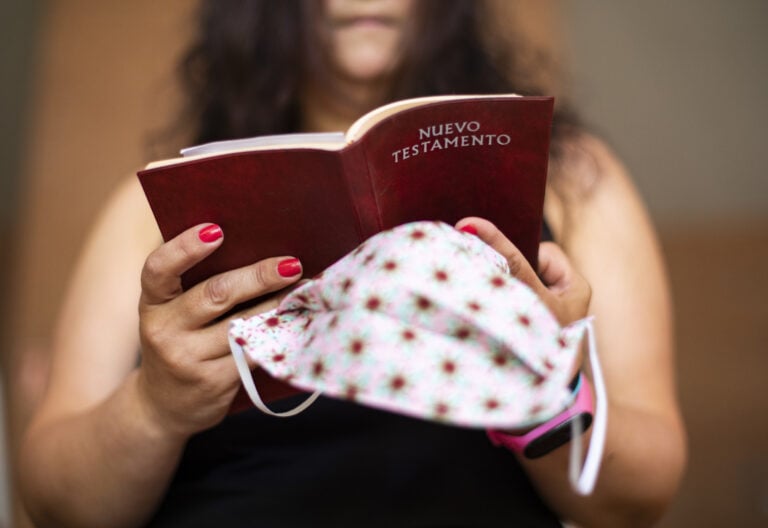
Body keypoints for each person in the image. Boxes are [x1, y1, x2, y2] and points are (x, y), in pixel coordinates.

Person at [19, 1, 686, 526]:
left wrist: (544, 396)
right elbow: (55, 504)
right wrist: (155, 407)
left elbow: (639, 499)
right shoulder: (158, 204)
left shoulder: (573, 178)